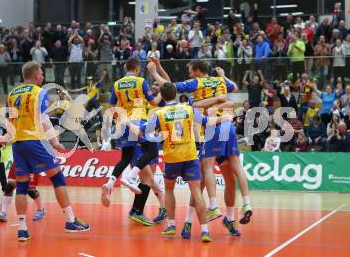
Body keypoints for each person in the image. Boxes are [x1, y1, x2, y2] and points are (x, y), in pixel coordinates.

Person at [149, 60, 253, 226]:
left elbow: (170, 87)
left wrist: (155, 72)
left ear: (197, 71)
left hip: (212, 126)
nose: (189, 73)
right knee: (234, 171)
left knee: (206, 170)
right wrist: (222, 79)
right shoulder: (220, 80)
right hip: (229, 127)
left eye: (190, 70)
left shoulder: (197, 83)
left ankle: (212, 206)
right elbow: (235, 88)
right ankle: (245, 203)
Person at [4, 61, 89, 241]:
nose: (42, 76)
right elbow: (44, 120)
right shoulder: (39, 92)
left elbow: (9, 121)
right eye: (41, 73)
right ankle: (71, 221)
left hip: (18, 143)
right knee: (57, 177)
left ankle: (22, 229)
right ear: (35, 75)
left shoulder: (12, 94)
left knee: (22, 185)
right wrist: (55, 143)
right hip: (35, 141)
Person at [143, 82, 212, 242]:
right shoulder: (188, 109)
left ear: (163, 96)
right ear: (175, 94)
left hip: (172, 156)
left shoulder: (160, 113)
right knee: (196, 192)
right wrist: (225, 118)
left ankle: (171, 224)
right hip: (189, 154)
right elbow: (207, 122)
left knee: (169, 189)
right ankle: (204, 230)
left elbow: (146, 132)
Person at [100, 58, 162, 215]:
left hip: (124, 124)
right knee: (153, 152)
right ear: (138, 68)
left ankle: (110, 182)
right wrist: (163, 92)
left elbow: (111, 109)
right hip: (140, 122)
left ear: (125, 67)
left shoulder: (117, 84)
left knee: (125, 158)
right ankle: (131, 178)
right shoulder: (141, 81)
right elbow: (154, 102)